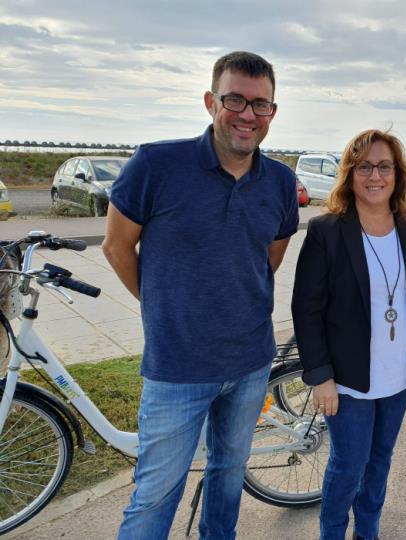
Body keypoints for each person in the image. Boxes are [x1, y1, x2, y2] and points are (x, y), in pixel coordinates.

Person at [102, 51, 299, 539]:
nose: (248, 115)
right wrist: (163, 306)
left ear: (273, 111)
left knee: (228, 477)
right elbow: (116, 245)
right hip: (177, 367)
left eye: (261, 104)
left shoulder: (279, 181)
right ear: (211, 101)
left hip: (251, 363)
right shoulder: (156, 164)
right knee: (156, 494)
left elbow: (267, 259)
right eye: (235, 100)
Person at [291, 129, 406, 540]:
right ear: (350, 174)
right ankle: (333, 533)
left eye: (384, 166)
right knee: (349, 465)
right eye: (364, 166)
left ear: (398, 174)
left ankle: (368, 533)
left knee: (379, 461)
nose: (375, 175)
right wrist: (320, 376)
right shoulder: (327, 231)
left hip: (399, 376)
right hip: (348, 379)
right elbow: (307, 309)